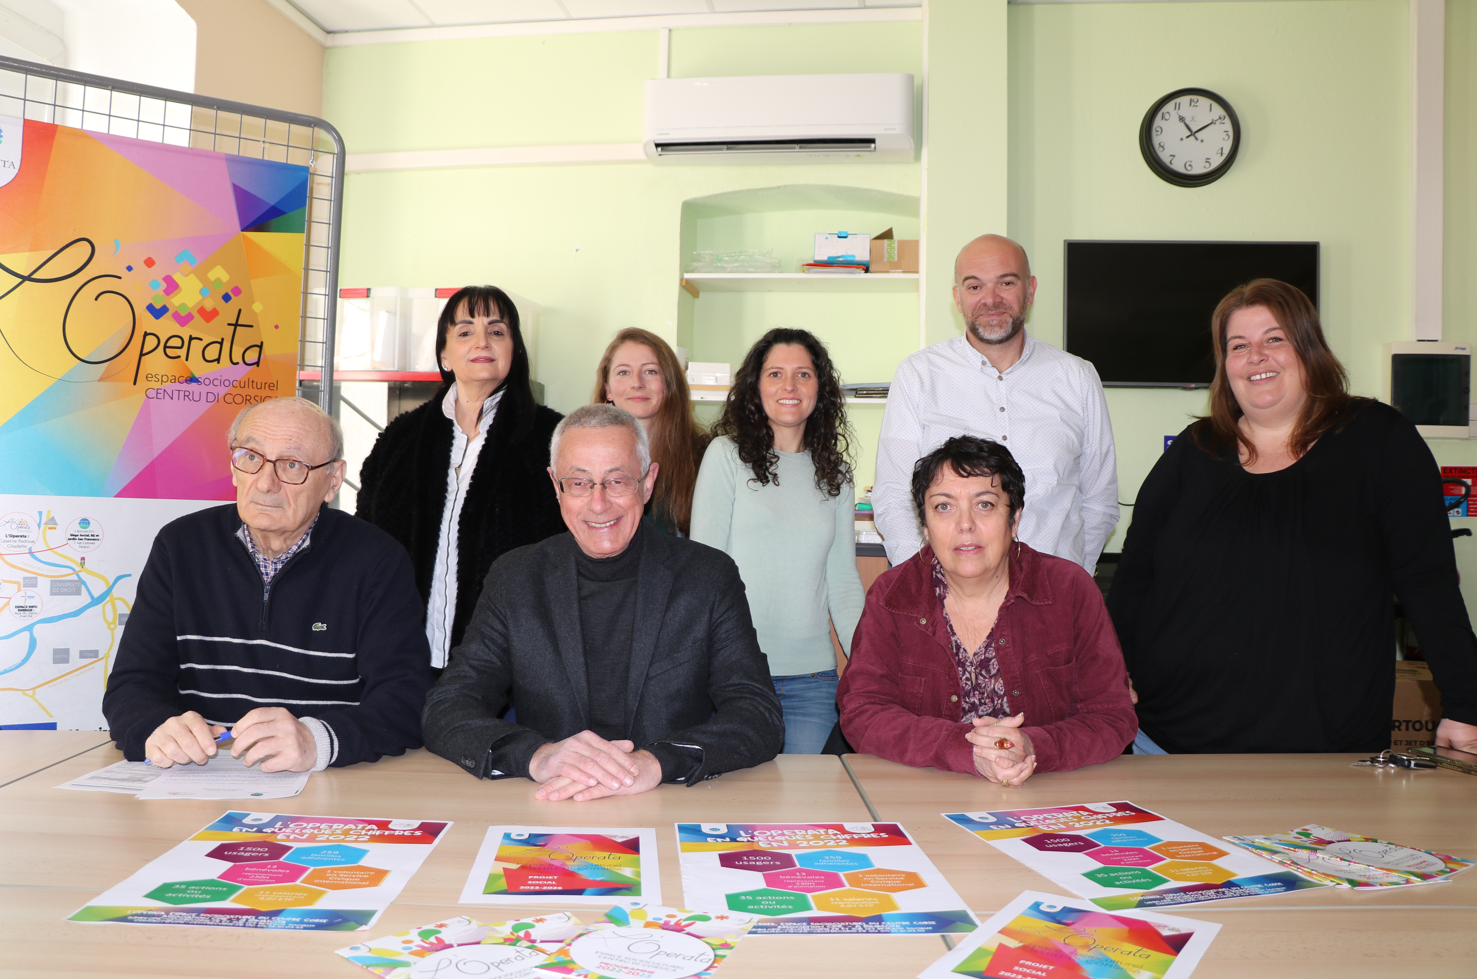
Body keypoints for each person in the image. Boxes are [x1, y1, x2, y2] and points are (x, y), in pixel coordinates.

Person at [1108, 279, 1477, 755]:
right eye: (1239, 345)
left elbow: (1428, 581)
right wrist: (1109, 676)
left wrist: (1466, 705)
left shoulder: (1379, 440)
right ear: (1225, 365)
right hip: (1166, 740)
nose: (1256, 356)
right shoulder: (1193, 451)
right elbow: (1135, 576)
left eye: (1274, 338)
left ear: (1308, 348)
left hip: (1322, 748)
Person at [421, 403, 784, 800]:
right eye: (579, 483)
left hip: (667, 800)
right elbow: (449, 705)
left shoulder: (707, 577)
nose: (598, 503)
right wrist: (536, 756)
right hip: (550, 801)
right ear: (555, 485)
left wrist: (658, 763)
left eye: (617, 481)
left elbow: (757, 714)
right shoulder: (515, 578)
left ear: (648, 482)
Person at [103, 398, 432, 772]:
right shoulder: (180, 546)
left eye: (292, 465)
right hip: (199, 771)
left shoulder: (377, 560)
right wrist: (155, 728)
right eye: (251, 457)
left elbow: (406, 698)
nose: (265, 483)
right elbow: (133, 683)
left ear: (333, 480)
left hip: (325, 778)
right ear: (233, 468)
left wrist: (318, 740)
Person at [838, 436, 1136, 784]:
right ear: (925, 525)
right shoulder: (892, 595)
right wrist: (968, 751)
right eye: (944, 506)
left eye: (984, 505)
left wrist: (1030, 746)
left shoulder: (1070, 589)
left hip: (1048, 792)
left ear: (1014, 518)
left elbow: (1112, 716)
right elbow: (862, 711)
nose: (965, 524)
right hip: (926, 790)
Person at [873, 234, 1118, 573]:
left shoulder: (1077, 377)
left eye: (1006, 282)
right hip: (950, 590)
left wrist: (1069, 580)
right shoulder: (918, 375)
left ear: (1030, 290)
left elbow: (1099, 501)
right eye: (975, 286)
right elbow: (894, 496)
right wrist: (926, 583)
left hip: (1053, 588)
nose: (991, 299)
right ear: (958, 298)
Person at [357, 285, 565, 672]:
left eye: (497, 331)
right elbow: (366, 542)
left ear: (516, 350)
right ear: (444, 355)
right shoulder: (400, 439)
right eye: (466, 331)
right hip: (400, 660)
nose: (482, 341)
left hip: (507, 668)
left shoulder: (554, 439)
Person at [691, 328, 865, 753]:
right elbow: (703, 573)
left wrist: (870, 664)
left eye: (803, 374)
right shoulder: (726, 455)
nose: (790, 386)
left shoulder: (837, 474)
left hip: (813, 682)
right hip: (734, 678)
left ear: (820, 389)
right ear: (756, 386)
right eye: (775, 374)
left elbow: (843, 584)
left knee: (803, 796)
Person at [592, 328, 710, 536]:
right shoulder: (585, 459)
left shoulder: (705, 459)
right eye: (623, 372)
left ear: (670, 384)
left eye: (650, 371)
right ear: (607, 390)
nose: (637, 383)